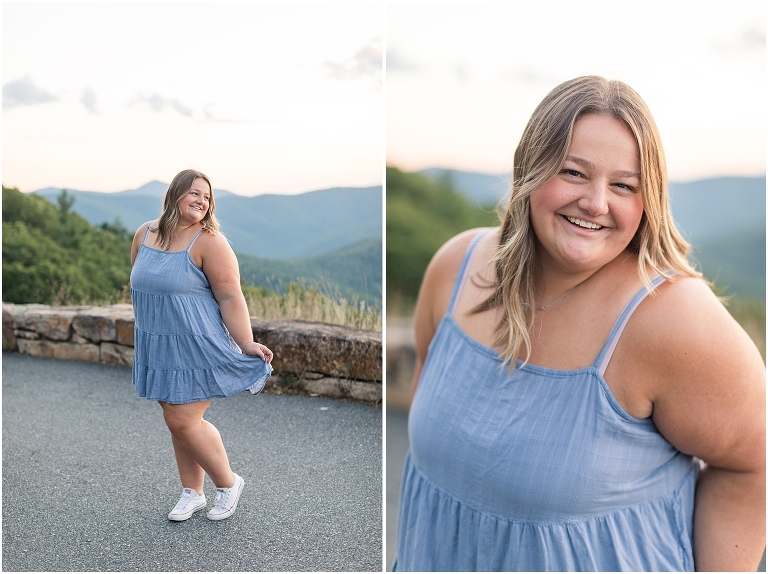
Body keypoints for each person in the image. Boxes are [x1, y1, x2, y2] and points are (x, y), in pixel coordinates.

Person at [393, 76, 765, 571]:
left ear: (646, 199)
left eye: (623, 185)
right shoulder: (454, 268)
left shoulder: (672, 319)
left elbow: (755, 463)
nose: (595, 202)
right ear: (531, 168)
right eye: (573, 172)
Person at [130, 169, 274, 522]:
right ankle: (192, 492)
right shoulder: (144, 233)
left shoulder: (210, 241)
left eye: (207, 197)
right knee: (175, 419)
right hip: (158, 343)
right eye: (194, 193)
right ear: (175, 194)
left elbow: (230, 296)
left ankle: (228, 483)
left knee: (184, 420)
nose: (201, 201)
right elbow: (143, 282)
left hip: (197, 344)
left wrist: (245, 343)